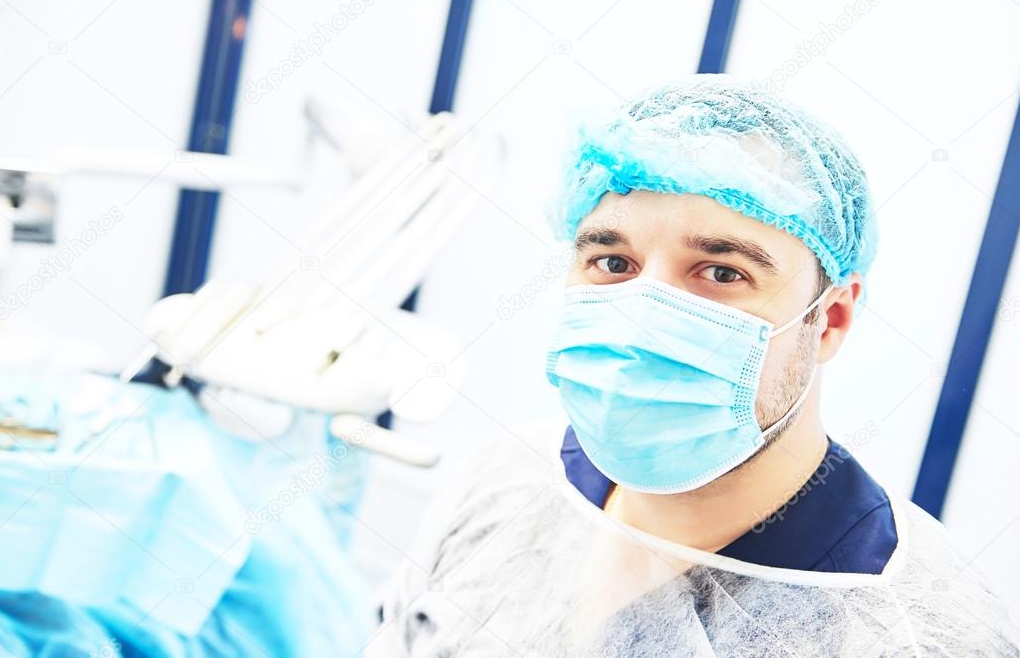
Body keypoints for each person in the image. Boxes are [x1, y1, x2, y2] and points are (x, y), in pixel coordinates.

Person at [370, 75, 1019, 656]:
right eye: (612, 263)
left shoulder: (914, 633)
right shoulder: (504, 485)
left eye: (719, 272)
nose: (641, 312)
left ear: (831, 319)